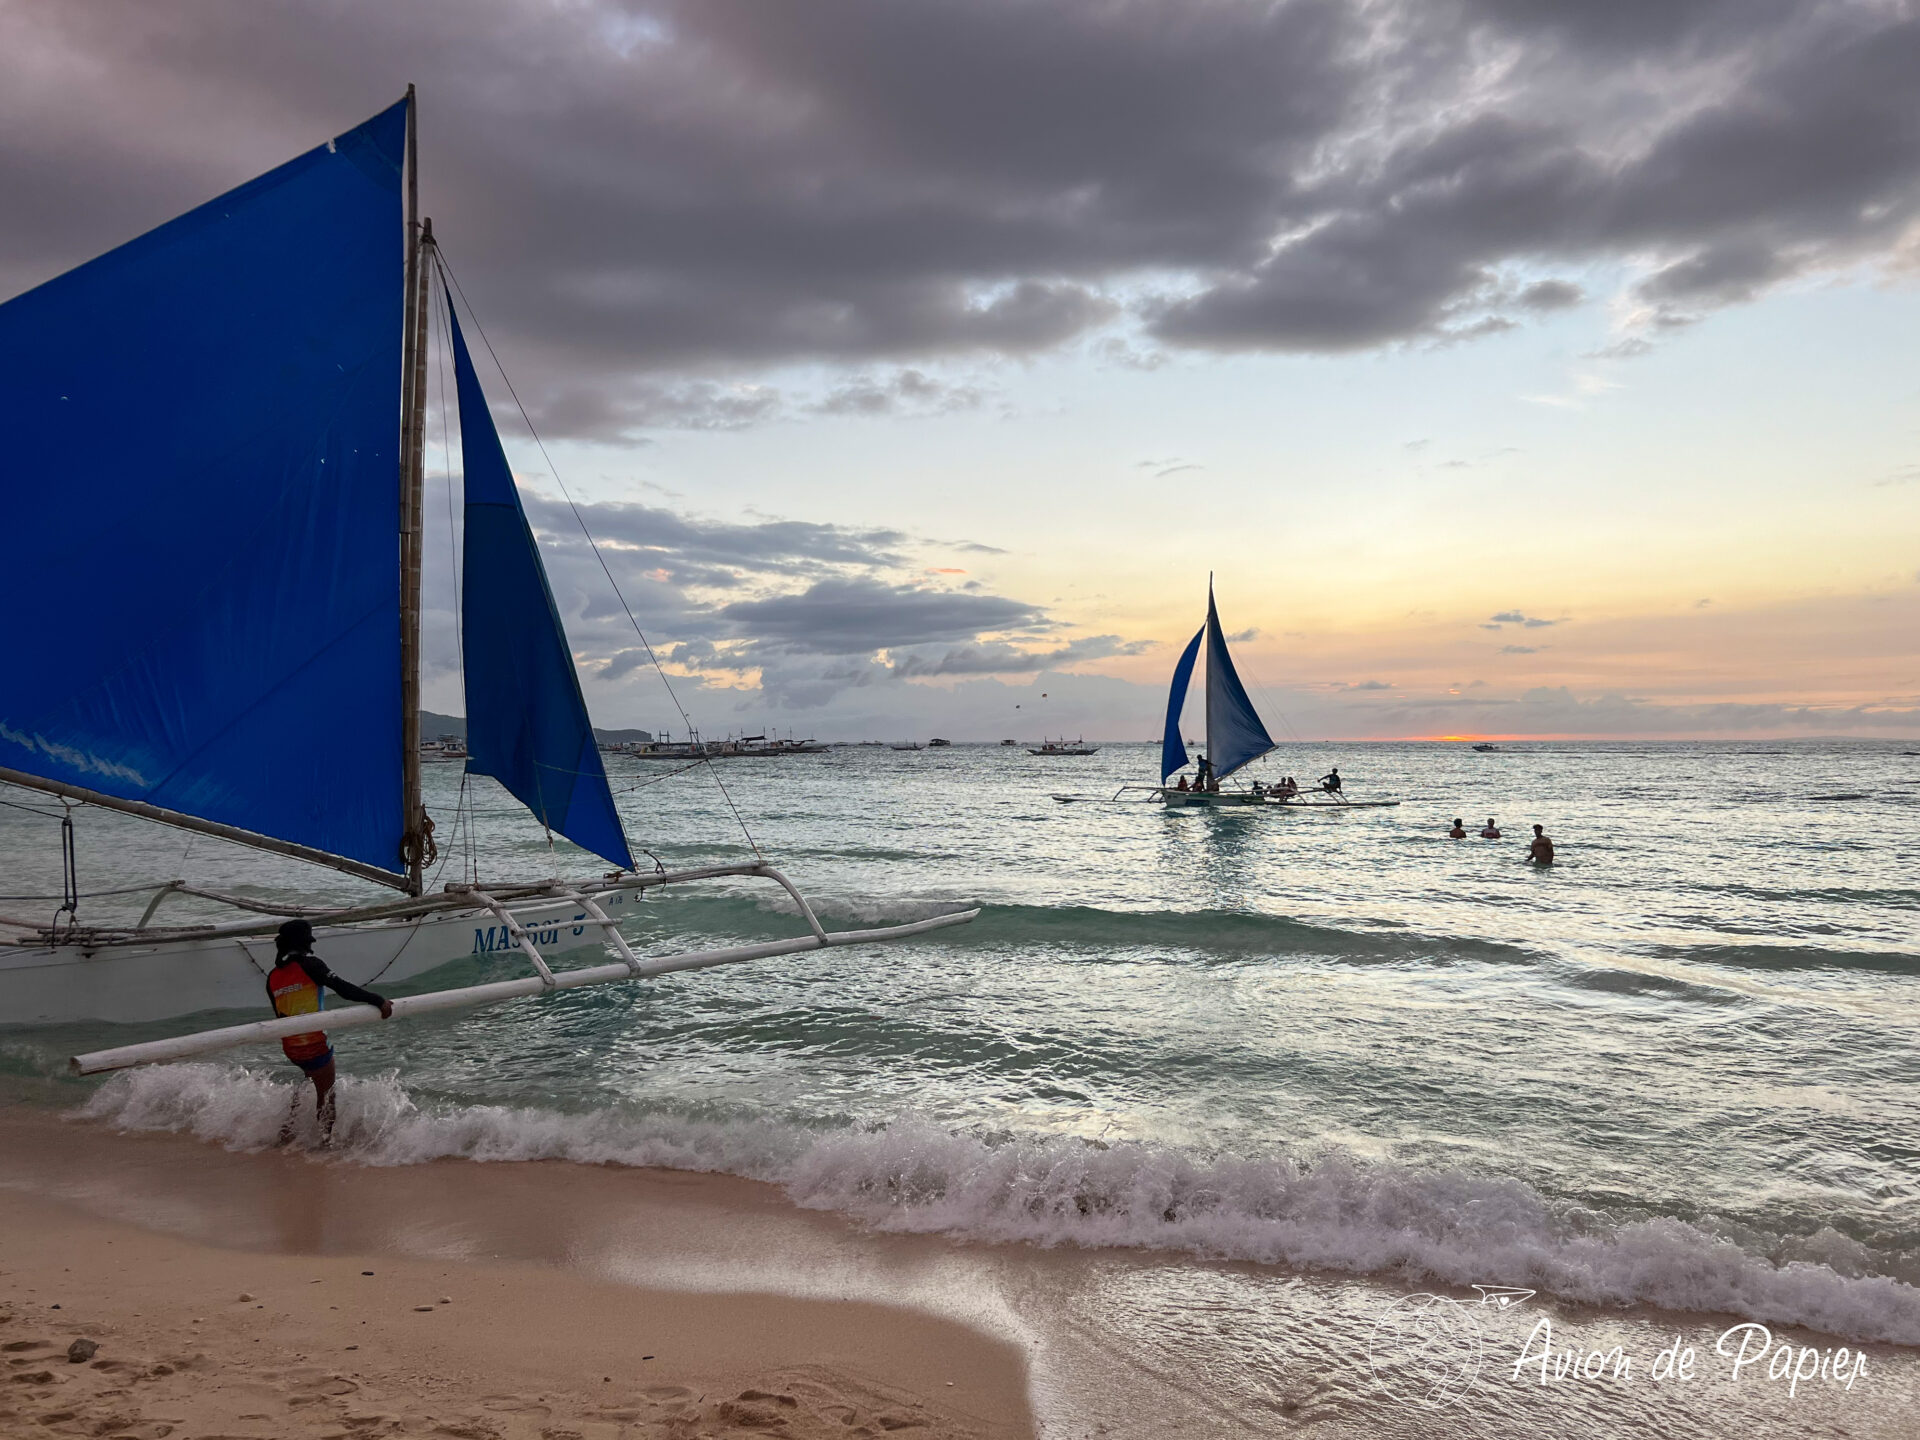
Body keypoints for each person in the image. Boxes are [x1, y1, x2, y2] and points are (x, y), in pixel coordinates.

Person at [267, 918, 394, 1145]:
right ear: (305, 943)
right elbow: (343, 988)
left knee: (309, 1081)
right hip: (314, 1043)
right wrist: (378, 1000)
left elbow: (278, 1012)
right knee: (326, 1096)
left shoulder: (273, 976)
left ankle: (286, 1134)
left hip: (290, 1046)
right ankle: (325, 1142)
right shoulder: (311, 965)